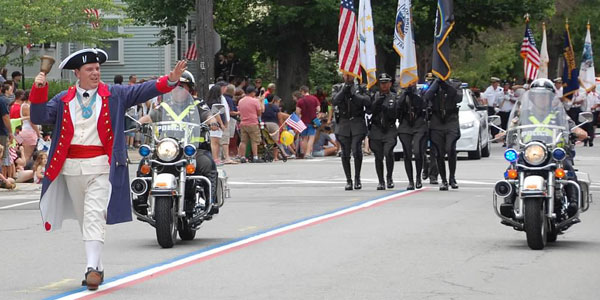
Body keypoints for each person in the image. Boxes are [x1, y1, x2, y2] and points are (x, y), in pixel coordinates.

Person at [29, 48, 186, 290]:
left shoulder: (115, 94)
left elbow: (144, 90)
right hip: (71, 168)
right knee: (85, 219)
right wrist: (39, 89)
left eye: (97, 68)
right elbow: (39, 117)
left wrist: (171, 79)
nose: (95, 72)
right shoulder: (63, 99)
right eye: (89, 69)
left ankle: (91, 268)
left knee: (94, 215)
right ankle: (98, 267)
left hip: (102, 167)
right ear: (77, 73)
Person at [138, 70, 220, 217]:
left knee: (208, 164)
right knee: (145, 164)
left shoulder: (197, 104)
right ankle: (141, 201)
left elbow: (207, 115)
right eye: (175, 86)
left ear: (190, 89)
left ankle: (211, 201)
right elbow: (149, 118)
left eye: (182, 86)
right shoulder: (164, 106)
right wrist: (137, 123)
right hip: (167, 151)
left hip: (193, 151)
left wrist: (212, 122)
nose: (178, 89)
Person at [332, 74, 371, 190]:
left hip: (357, 122)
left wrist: (354, 95)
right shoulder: (337, 87)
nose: (347, 76)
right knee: (345, 152)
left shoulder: (361, 88)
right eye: (345, 75)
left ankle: (357, 178)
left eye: (350, 75)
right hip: (343, 123)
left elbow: (367, 101)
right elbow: (335, 100)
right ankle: (348, 180)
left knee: (356, 150)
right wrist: (345, 89)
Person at [424, 78, 462, 190]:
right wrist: (436, 83)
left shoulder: (456, 84)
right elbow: (427, 97)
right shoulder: (433, 85)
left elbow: (458, 98)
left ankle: (452, 178)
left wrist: (445, 85)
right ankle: (444, 180)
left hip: (451, 120)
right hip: (437, 121)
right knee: (439, 153)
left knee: (450, 149)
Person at [368, 73, 399, 190]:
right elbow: (369, 111)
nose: (384, 85)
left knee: (388, 152)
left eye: (386, 83)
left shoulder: (394, 97)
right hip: (376, 129)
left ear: (390, 84)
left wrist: (387, 109)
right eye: (382, 83)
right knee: (378, 156)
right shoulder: (374, 96)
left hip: (389, 128)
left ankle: (389, 177)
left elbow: (396, 113)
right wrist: (377, 103)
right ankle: (381, 181)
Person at [398, 84, 428, 190]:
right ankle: (410, 180)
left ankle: (418, 178)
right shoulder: (402, 94)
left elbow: (423, 105)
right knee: (407, 154)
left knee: (418, 152)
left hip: (418, 124)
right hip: (405, 125)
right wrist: (405, 94)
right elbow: (398, 106)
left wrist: (414, 95)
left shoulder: (420, 93)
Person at [237, 86, 264, 163]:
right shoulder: (255, 101)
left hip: (243, 123)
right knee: (254, 140)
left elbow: (239, 111)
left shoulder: (240, 101)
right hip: (253, 122)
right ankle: (255, 157)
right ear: (252, 92)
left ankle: (242, 157)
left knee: (243, 141)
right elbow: (259, 112)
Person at [297, 86, 320, 159]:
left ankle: (305, 154)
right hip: (312, 121)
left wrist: (301, 115)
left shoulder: (300, 101)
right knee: (311, 137)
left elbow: (298, 112)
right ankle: (308, 153)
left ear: (303, 91)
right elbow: (318, 109)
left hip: (303, 121)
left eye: (301, 92)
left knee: (304, 138)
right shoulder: (314, 99)